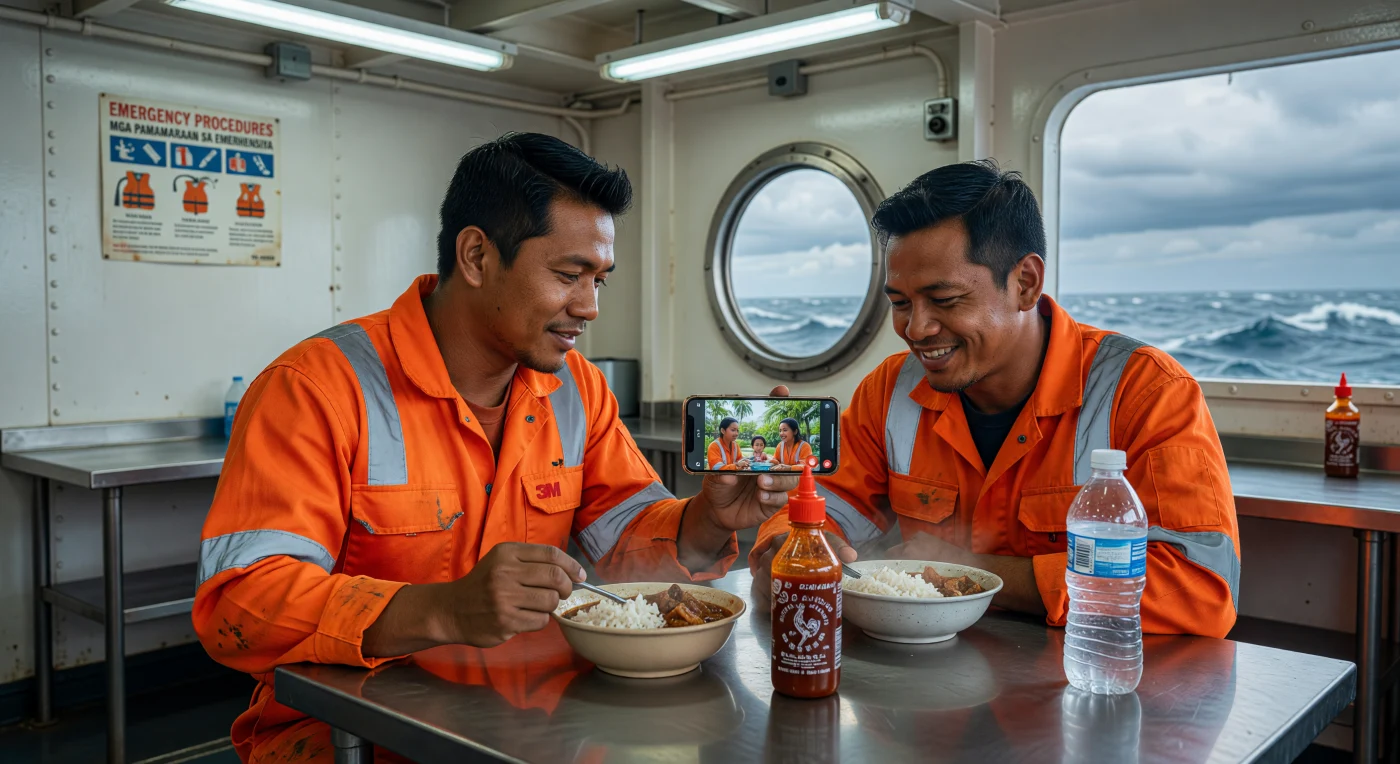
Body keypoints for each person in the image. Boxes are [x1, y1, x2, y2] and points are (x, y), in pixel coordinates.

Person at [194, 133, 798, 763]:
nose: (589, 307)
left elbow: (626, 540)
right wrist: (440, 609)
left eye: (600, 280)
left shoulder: (575, 389)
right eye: (569, 275)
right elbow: (239, 602)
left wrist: (706, 521)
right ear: (478, 256)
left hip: (533, 726)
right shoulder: (317, 390)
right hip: (352, 738)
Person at [751, 160, 1240, 639]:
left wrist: (961, 571)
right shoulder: (889, 390)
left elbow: (1198, 586)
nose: (915, 329)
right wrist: (787, 545)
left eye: (944, 300)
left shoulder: (1147, 392)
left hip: (1090, 681)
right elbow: (829, 506)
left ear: (1025, 283)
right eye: (900, 303)